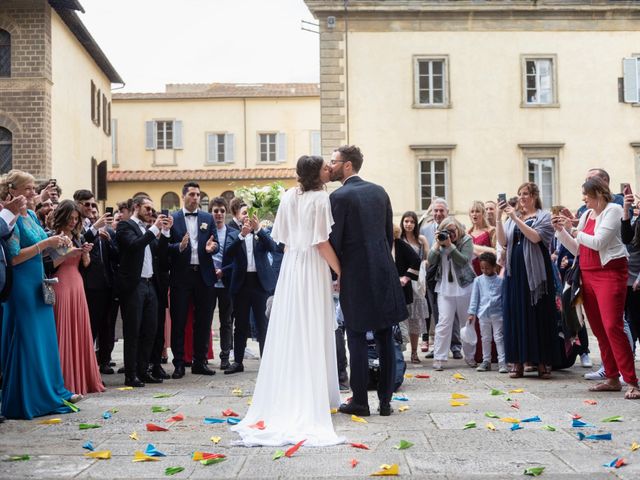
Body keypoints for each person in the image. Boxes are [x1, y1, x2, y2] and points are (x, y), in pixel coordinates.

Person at [231, 155, 344, 446]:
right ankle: (315, 395)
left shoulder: (289, 197)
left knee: (294, 326)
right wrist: (340, 269)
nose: (327, 169)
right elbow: (320, 242)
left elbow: (281, 238)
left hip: (292, 267)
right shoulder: (321, 199)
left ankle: (293, 391)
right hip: (312, 266)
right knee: (313, 323)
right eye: (324, 167)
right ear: (315, 174)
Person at [329, 145, 407, 417]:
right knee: (386, 336)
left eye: (334, 161)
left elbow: (334, 241)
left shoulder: (338, 197)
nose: (331, 166)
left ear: (347, 165)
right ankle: (385, 401)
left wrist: (334, 275)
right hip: (384, 271)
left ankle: (360, 401)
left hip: (356, 275)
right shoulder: (380, 191)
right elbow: (388, 236)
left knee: (357, 337)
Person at [0, 170, 81, 419]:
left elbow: (40, 245)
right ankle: (28, 397)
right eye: (29, 189)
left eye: (34, 188)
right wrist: (46, 243)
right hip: (22, 285)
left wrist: (56, 241)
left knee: (45, 337)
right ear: (12, 191)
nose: (34, 193)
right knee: (28, 338)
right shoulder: (11, 219)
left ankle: (53, 391)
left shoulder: (32, 215)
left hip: (39, 281)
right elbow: (14, 256)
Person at [554, 177, 639, 399]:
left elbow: (599, 242)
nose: (583, 199)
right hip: (587, 274)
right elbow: (577, 250)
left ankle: (631, 381)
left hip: (610, 273)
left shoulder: (613, 209)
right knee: (599, 329)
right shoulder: (586, 214)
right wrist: (562, 232)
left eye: (586, 195)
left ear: (599, 193)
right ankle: (611, 377)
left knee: (613, 326)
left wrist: (573, 230)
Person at [497, 182, 556, 379]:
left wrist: (515, 217)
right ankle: (518, 361)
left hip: (536, 273)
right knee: (516, 313)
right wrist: (499, 218)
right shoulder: (514, 218)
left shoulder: (543, 216)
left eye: (526, 194)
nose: (522, 197)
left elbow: (536, 237)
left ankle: (542, 361)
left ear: (534, 196)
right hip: (515, 272)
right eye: (520, 194)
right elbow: (503, 242)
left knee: (538, 313)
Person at [50, 200, 105, 395]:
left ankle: (83, 378)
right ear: (62, 216)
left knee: (80, 329)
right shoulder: (52, 237)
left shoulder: (78, 236)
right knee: (64, 329)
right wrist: (68, 253)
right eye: (70, 218)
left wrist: (85, 254)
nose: (73, 222)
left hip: (77, 283)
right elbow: (50, 265)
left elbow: (85, 266)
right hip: (62, 284)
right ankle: (65, 380)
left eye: (76, 218)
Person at [115, 196, 170, 387]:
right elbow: (133, 246)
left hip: (150, 284)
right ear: (136, 207)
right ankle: (131, 374)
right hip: (134, 285)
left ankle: (143, 370)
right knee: (133, 330)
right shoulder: (125, 226)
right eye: (147, 208)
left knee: (150, 330)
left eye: (152, 209)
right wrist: (155, 228)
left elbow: (160, 253)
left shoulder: (148, 230)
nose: (150, 212)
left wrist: (165, 232)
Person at [168, 182, 219, 379]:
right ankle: (179, 363)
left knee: (204, 321)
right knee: (179, 320)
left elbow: (216, 245)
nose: (195, 198)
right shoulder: (173, 218)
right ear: (183, 196)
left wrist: (211, 248)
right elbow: (165, 247)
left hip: (204, 274)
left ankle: (200, 361)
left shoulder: (207, 217)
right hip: (182, 275)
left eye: (198, 195)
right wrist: (179, 247)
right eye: (191, 194)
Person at [223, 203, 279, 374]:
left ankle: (266, 361)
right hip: (241, 284)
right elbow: (228, 254)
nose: (247, 216)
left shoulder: (263, 233)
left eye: (250, 213)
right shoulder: (233, 234)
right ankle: (238, 362)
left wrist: (259, 230)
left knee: (263, 325)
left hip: (260, 284)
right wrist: (242, 235)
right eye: (244, 213)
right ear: (238, 216)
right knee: (240, 325)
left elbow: (273, 247)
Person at [427, 218, 477, 370]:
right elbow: (430, 260)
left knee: (467, 323)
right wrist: (437, 244)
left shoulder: (466, 240)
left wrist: (450, 246)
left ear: (458, 229)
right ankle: (440, 358)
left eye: (453, 230)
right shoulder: (440, 241)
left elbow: (464, 261)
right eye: (447, 231)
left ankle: (470, 356)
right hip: (445, 288)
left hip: (464, 287)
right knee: (443, 323)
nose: (451, 234)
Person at [421, 198, 463, 360]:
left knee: (454, 313)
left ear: (447, 212)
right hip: (432, 274)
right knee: (437, 313)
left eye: (441, 211)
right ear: (432, 212)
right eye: (435, 211)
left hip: (450, 274)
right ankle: (439, 347)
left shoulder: (457, 227)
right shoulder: (425, 230)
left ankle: (456, 346)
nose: (438, 214)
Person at [467, 252, 506, 373]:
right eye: (482, 268)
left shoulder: (501, 281)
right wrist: (471, 313)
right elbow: (475, 298)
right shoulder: (478, 281)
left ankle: (502, 362)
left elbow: (504, 298)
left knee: (499, 338)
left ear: (495, 267)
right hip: (483, 314)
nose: (484, 270)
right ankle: (486, 361)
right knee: (485, 338)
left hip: (498, 314)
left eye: (487, 268)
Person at [399, 211, 429, 363]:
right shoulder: (398, 239)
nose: (409, 224)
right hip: (403, 281)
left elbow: (426, 259)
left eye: (411, 221)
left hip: (417, 282)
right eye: (406, 221)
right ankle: (402, 352)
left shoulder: (421, 240)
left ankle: (414, 353)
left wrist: (423, 265)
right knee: (402, 318)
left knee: (415, 319)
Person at [209, 197, 234, 370]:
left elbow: (238, 260)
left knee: (226, 322)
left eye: (222, 211)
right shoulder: (205, 231)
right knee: (205, 321)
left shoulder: (233, 233)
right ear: (211, 212)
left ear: (226, 213)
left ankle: (225, 356)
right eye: (216, 211)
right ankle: (202, 356)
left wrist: (223, 271)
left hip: (226, 282)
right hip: (208, 282)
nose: (219, 214)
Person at [622, 188, 640, 354]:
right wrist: (626, 210)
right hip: (632, 279)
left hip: (636, 278)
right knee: (632, 319)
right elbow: (627, 238)